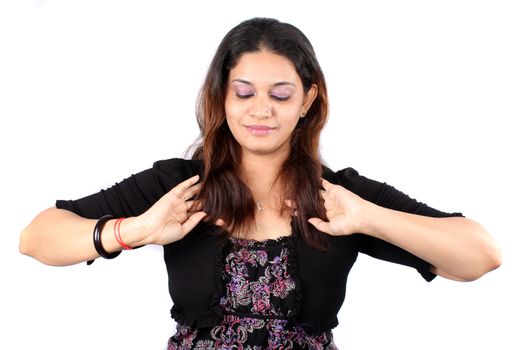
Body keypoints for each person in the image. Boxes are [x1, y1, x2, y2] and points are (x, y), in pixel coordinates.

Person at [19, 17, 501, 349]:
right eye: (244, 92)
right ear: (221, 97)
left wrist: (370, 219)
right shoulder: (181, 184)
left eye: (281, 94)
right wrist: (135, 231)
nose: (261, 110)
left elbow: (480, 254)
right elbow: (37, 237)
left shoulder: (341, 197)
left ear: (308, 100)